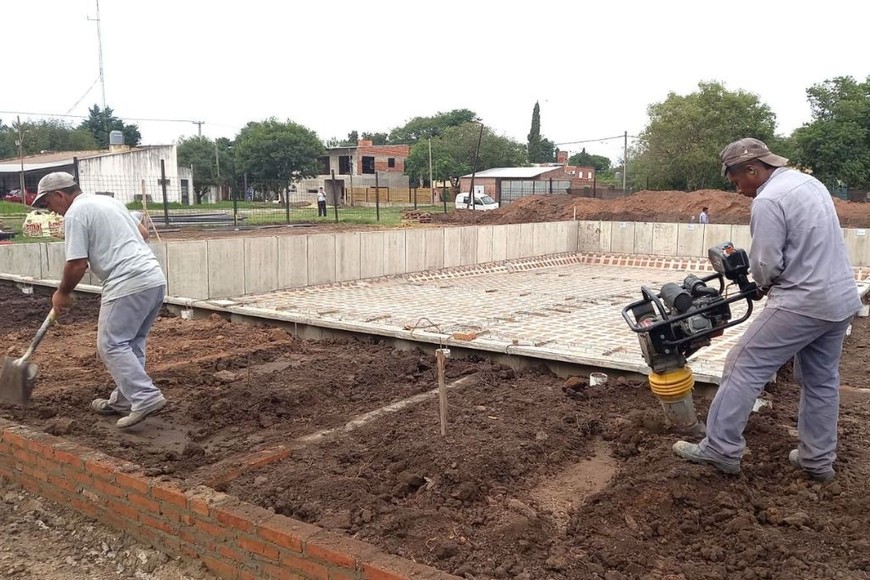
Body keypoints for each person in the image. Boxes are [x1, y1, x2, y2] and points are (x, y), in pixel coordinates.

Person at [673, 138, 861, 482]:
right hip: (840, 298)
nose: (739, 190)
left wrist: (760, 283)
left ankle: (720, 449)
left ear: (752, 169)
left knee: (742, 365)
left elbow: (765, 264)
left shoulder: (769, 199)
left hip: (803, 301)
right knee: (821, 381)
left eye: (736, 182)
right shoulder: (809, 183)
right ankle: (817, 461)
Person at [32, 172, 168, 429]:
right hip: (153, 279)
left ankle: (145, 397)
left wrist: (62, 293)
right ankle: (124, 401)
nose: (51, 212)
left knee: (111, 344)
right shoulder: (108, 201)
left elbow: (77, 264)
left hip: (126, 283)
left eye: (48, 204)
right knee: (131, 343)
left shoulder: (75, 213)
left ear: (59, 195)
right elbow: (143, 232)